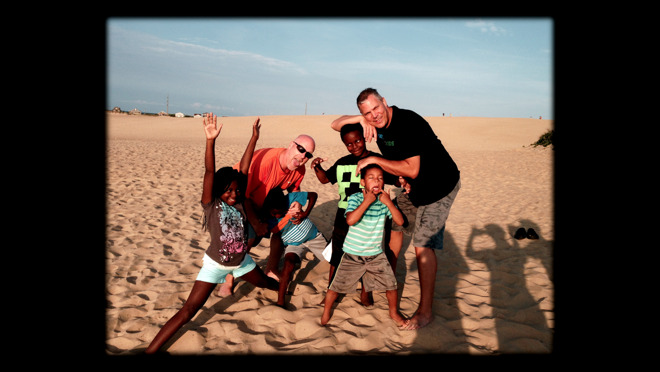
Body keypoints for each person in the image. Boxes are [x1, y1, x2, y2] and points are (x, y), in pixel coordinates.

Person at [145, 114, 278, 354]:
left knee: (267, 283)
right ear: (219, 190)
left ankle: (283, 289)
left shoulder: (239, 203)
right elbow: (209, 171)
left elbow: (244, 168)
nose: (234, 194)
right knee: (188, 311)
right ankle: (150, 351)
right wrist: (210, 141)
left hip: (242, 263)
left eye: (237, 190)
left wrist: (254, 138)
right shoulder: (212, 204)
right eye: (229, 190)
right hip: (215, 265)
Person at [330, 88, 461, 330]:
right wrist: (359, 119)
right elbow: (335, 124)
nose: (374, 116)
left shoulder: (408, 122)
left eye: (376, 108)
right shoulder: (370, 122)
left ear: (385, 102)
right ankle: (389, 275)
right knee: (394, 223)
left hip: (440, 186)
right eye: (367, 112)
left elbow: (411, 169)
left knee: (423, 244)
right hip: (414, 188)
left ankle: (425, 311)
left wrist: (375, 159)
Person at [216, 132, 316, 296]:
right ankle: (228, 280)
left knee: (282, 227)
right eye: (301, 149)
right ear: (291, 145)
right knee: (247, 239)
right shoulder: (267, 163)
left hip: (263, 201)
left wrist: (297, 204)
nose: (303, 156)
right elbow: (242, 195)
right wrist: (256, 223)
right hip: (234, 199)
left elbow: (294, 188)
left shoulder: (299, 168)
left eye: (308, 154)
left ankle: (271, 269)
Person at [310, 123, 397, 306]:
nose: (354, 146)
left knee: (370, 255)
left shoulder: (377, 160)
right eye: (349, 144)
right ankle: (331, 291)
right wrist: (317, 167)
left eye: (357, 140)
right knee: (337, 253)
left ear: (364, 138)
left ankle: (366, 292)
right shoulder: (342, 162)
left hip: (373, 216)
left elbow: (395, 176)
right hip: (345, 214)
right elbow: (326, 179)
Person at [321, 164, 408, 328]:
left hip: (376, 254)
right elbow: (350, 220)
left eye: (380, 178)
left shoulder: (384, 201)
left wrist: (389, 203)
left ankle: (393, 312)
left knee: (391, 284)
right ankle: (326, 311)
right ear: (362, 183)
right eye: (371, 177)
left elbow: (400, 221)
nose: (377, 180)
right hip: (352, 254)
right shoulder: (356, 198)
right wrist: (367, 202)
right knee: (336, 286)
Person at [260, 188, 327, 308]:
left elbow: (313, 194)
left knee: (331, 259)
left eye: (279, 212)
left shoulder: (291, 198)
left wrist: (305, 213)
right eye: (274, 213)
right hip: (293, 244)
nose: (277, 215)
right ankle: (281, 301)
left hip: (313, 238)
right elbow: (272, 230)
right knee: (288, 264)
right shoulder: (268, 217)